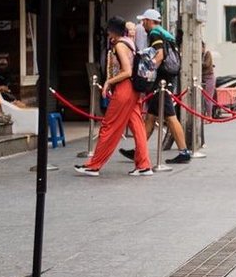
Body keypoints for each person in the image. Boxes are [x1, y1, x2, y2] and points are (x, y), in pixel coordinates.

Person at [74, 17, 153, 176]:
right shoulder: (129, 42)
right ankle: (144, 164)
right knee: (137, 126)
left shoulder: (119, 45)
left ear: (111, 31)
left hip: (124, 89)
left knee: (109, 126)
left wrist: (109, 82)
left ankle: (94, 164)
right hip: (134, 89)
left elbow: (126, 71)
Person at [122, 9, 192, 165]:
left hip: (161, 82)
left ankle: (184, 151)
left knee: (170, 117)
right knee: (151, 117)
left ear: (149, 21)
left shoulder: (154, 33)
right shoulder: (164, 32)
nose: (142, 24)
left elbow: (159, 55)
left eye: (144, 20)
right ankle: (139, 151)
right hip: (165, 80)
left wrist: (148, 71)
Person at [202, 40, 216, 116]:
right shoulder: (200, 55)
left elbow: (207, 64)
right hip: (202, 78)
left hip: (209, 78)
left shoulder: (207, 54)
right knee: (203, 99)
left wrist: (197, 63)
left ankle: (209, 116)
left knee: (208, 99)